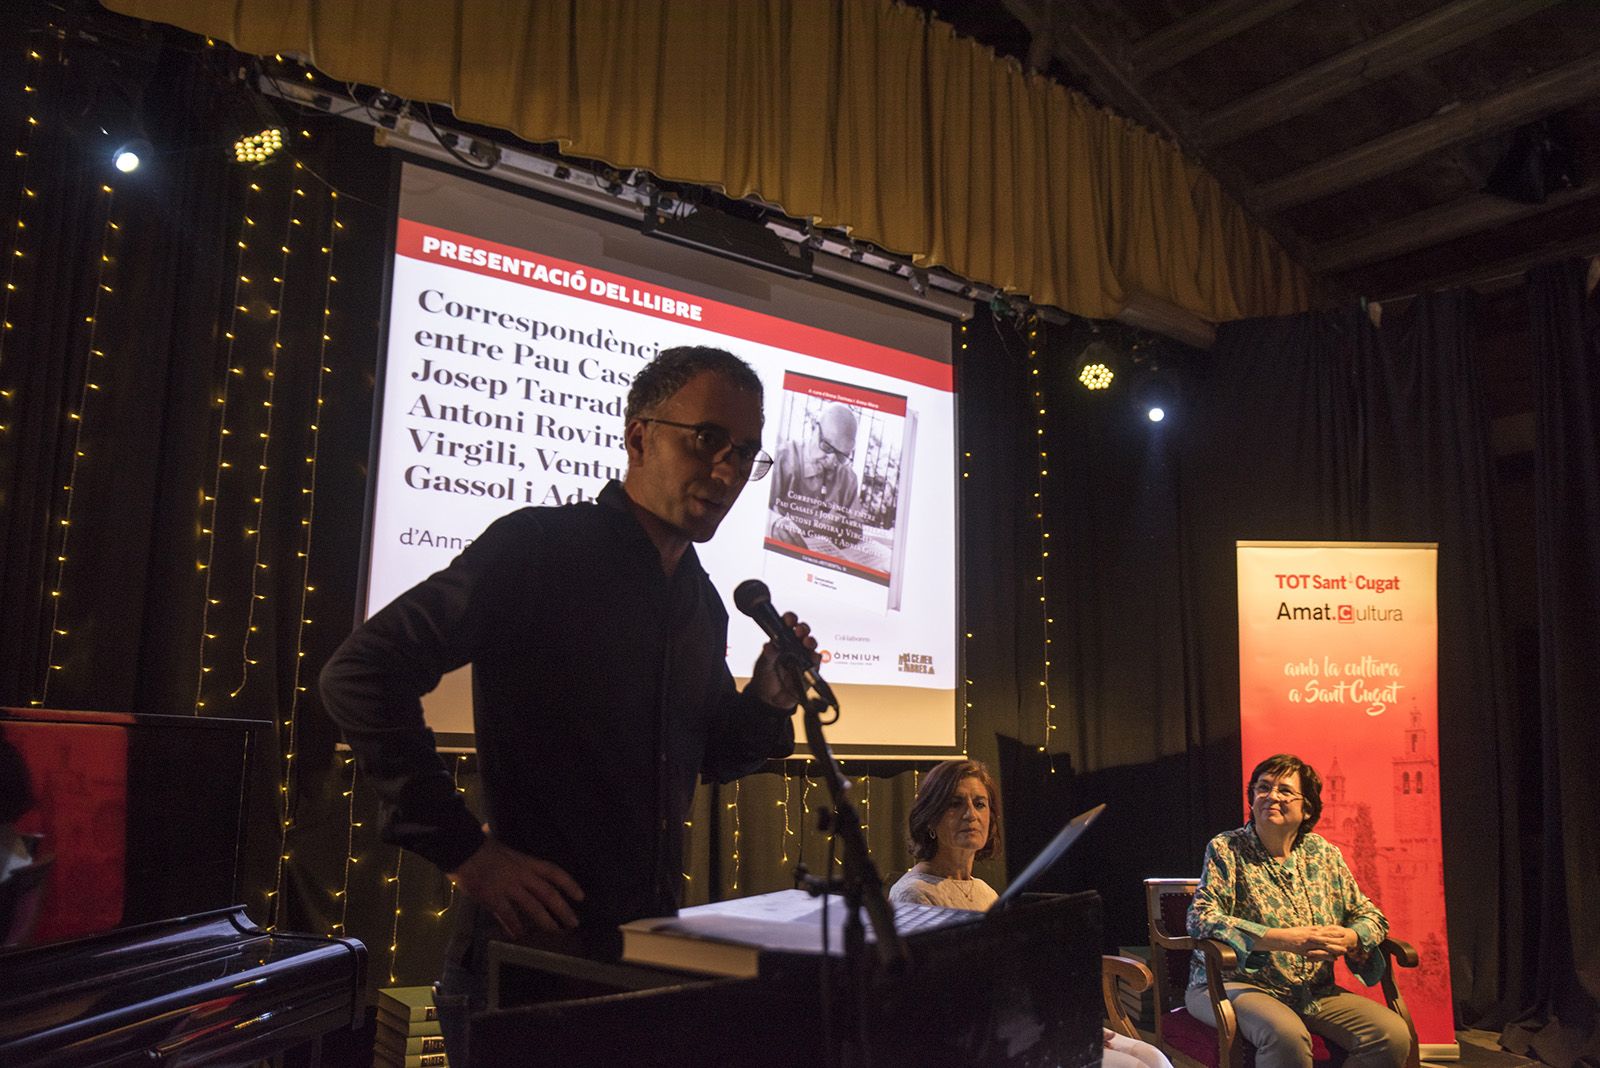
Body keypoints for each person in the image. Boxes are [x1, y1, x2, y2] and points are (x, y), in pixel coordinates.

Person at [320, 346, 817, 1063]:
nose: (728, 470)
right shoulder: (542, 549)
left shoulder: (702, 603)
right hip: (524, 966)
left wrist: (768, 702)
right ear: (640, 436)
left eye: (745, 453)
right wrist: (467, 852)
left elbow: (708, 752)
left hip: (643, 959)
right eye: (707, 439)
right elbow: (360, 673)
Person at [889, 759, 1172, 1068]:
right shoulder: (914, 894)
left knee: (1153, 1056)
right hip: (986, 1044)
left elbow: (1014, 978)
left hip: (1026, 1025)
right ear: (930, 819)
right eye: (955, 804)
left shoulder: (985, 892)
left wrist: (1068, 1023)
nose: (971, 814)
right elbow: (939, 1006)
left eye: (980, 804)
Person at [1186, 754, 1412, 1068]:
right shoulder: (1227, 848)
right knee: (1287, 1035)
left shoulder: (1324, 854)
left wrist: (1351, 937)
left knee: (1392, 1034)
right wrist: (1281, 939)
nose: (1271, 796)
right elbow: (1201, 918)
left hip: (1313, 991)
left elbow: (1371, 916)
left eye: (1284, 790)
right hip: (1232, 984)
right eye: (1263, 788)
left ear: (1307, 807)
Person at [766, 401, 861, 550]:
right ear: (814, 429)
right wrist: (775, 523)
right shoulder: (783, 458)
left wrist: (842, 528)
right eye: (827, 447)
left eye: (842, 455)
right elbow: (758, 509)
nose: (832, 460)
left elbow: (856, 531)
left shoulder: (848, 478)